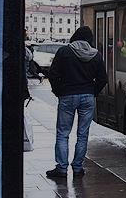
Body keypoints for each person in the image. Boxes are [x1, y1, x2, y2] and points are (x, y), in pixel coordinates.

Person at [45, 26, 107, 179]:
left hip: (67, 95)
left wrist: (59, 91)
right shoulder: (96, 55)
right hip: (87, 96)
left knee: (63, 133)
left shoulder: (64, 52)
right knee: (83, 134)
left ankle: (62, 168)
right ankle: (78, 167)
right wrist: (93, 92)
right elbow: (103, 79)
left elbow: (53, 74)